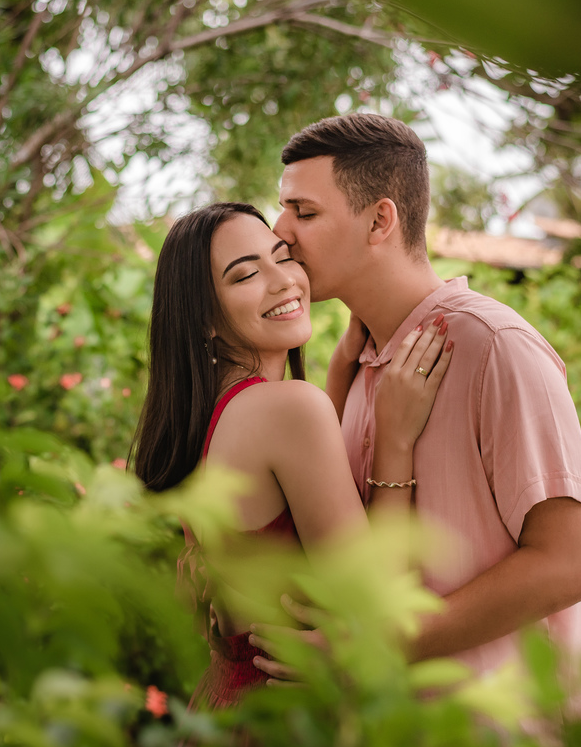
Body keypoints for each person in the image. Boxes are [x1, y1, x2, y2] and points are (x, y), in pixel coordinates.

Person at [247, 114, 581, 747]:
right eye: (280, 208)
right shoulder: (366, 359)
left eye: (303, 211)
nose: (280, 233)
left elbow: (568, 562)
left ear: (380, 221)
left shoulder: (493, 347)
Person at [131, 202, 454, 709]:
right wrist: (394, 442)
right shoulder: (287, 410)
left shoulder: (201, 422)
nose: (283, 281)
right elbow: (371, 600)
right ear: (204, 319)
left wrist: (340, 377)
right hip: (285, 726)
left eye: (283, 258)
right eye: (245, 276)